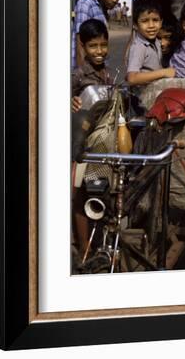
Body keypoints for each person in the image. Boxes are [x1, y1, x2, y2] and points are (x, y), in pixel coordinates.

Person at [70, 19, 111, 264]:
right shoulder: (77, 76)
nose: (99, 51)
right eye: (93, 46)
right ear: (83, 47)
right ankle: (84, 248)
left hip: (103, 144)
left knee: (100, 190)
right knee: (83, 195)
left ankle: (99, 244)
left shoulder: (107, 73)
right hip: (82, 146)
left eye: (103, 45)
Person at [126, 0, 175, 86]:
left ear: (161, 22)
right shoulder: (139, 47)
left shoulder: (155, 41)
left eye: (155, 20)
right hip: (143, 96)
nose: (151, 25)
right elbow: (132, 78)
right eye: (145, 21)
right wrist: (163, 72)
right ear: (135, 25)